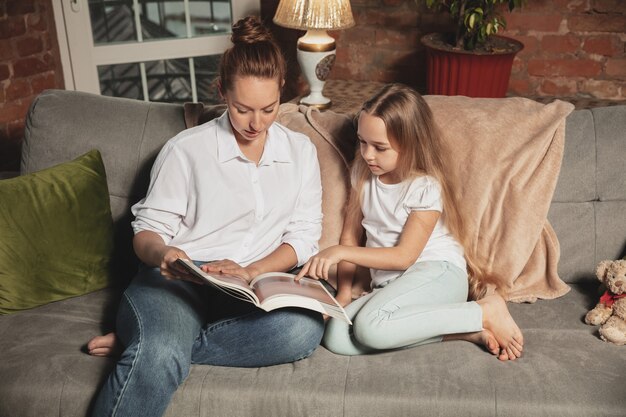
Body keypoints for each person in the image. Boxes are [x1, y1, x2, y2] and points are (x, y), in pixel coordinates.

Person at [86, 16, 325, 417]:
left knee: (302, 330)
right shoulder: (186, 150)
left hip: (252, 284)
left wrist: (250, 271)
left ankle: (149, 343)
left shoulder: (300, 153)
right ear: (221, 92)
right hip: (180, 281)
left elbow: (303, 234)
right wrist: (164, 254)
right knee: (161, 349)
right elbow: (146, 232)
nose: (256, 123)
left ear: (282, 90)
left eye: (268, 109)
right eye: (241, 109)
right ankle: (157, 344)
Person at [295, 83, 524, 361]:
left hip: (437, 275)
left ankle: (485, 311)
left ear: (410, 144)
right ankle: (466, 330)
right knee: (336, 337)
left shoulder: (424, 187)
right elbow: (350, 238)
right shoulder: (362, 174)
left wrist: (337, 253)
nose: (368, 154)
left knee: (370, 328)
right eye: (362, 142)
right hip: (392, 287)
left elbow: (404, 257)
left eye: (380, 147)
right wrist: (343, 294)